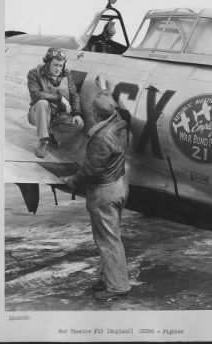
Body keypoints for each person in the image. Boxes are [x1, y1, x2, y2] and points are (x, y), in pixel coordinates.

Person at [61, 90, 130, 301]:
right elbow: (118, 112)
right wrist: (104, 91)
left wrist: (71, 181)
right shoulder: (120, 125)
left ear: (96, 114)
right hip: (119, 186)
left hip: (104, 193)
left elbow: (90, 172)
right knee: (110, 236)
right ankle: (107, 278)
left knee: (108, 241)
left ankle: (117, 287)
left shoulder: (102, 138)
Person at [27, 48, 84, 158]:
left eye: (61, 65)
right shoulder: (34, 73)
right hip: (38, 112)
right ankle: (43, 142)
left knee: (78, 123)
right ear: (48, 63)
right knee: (42, 103)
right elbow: (36, 94)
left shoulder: (66, 75)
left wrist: (77, 113)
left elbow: (74, 94)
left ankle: (52, 134)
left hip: (58, 114)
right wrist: (59, 98)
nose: (58, 69)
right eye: (55, 65)